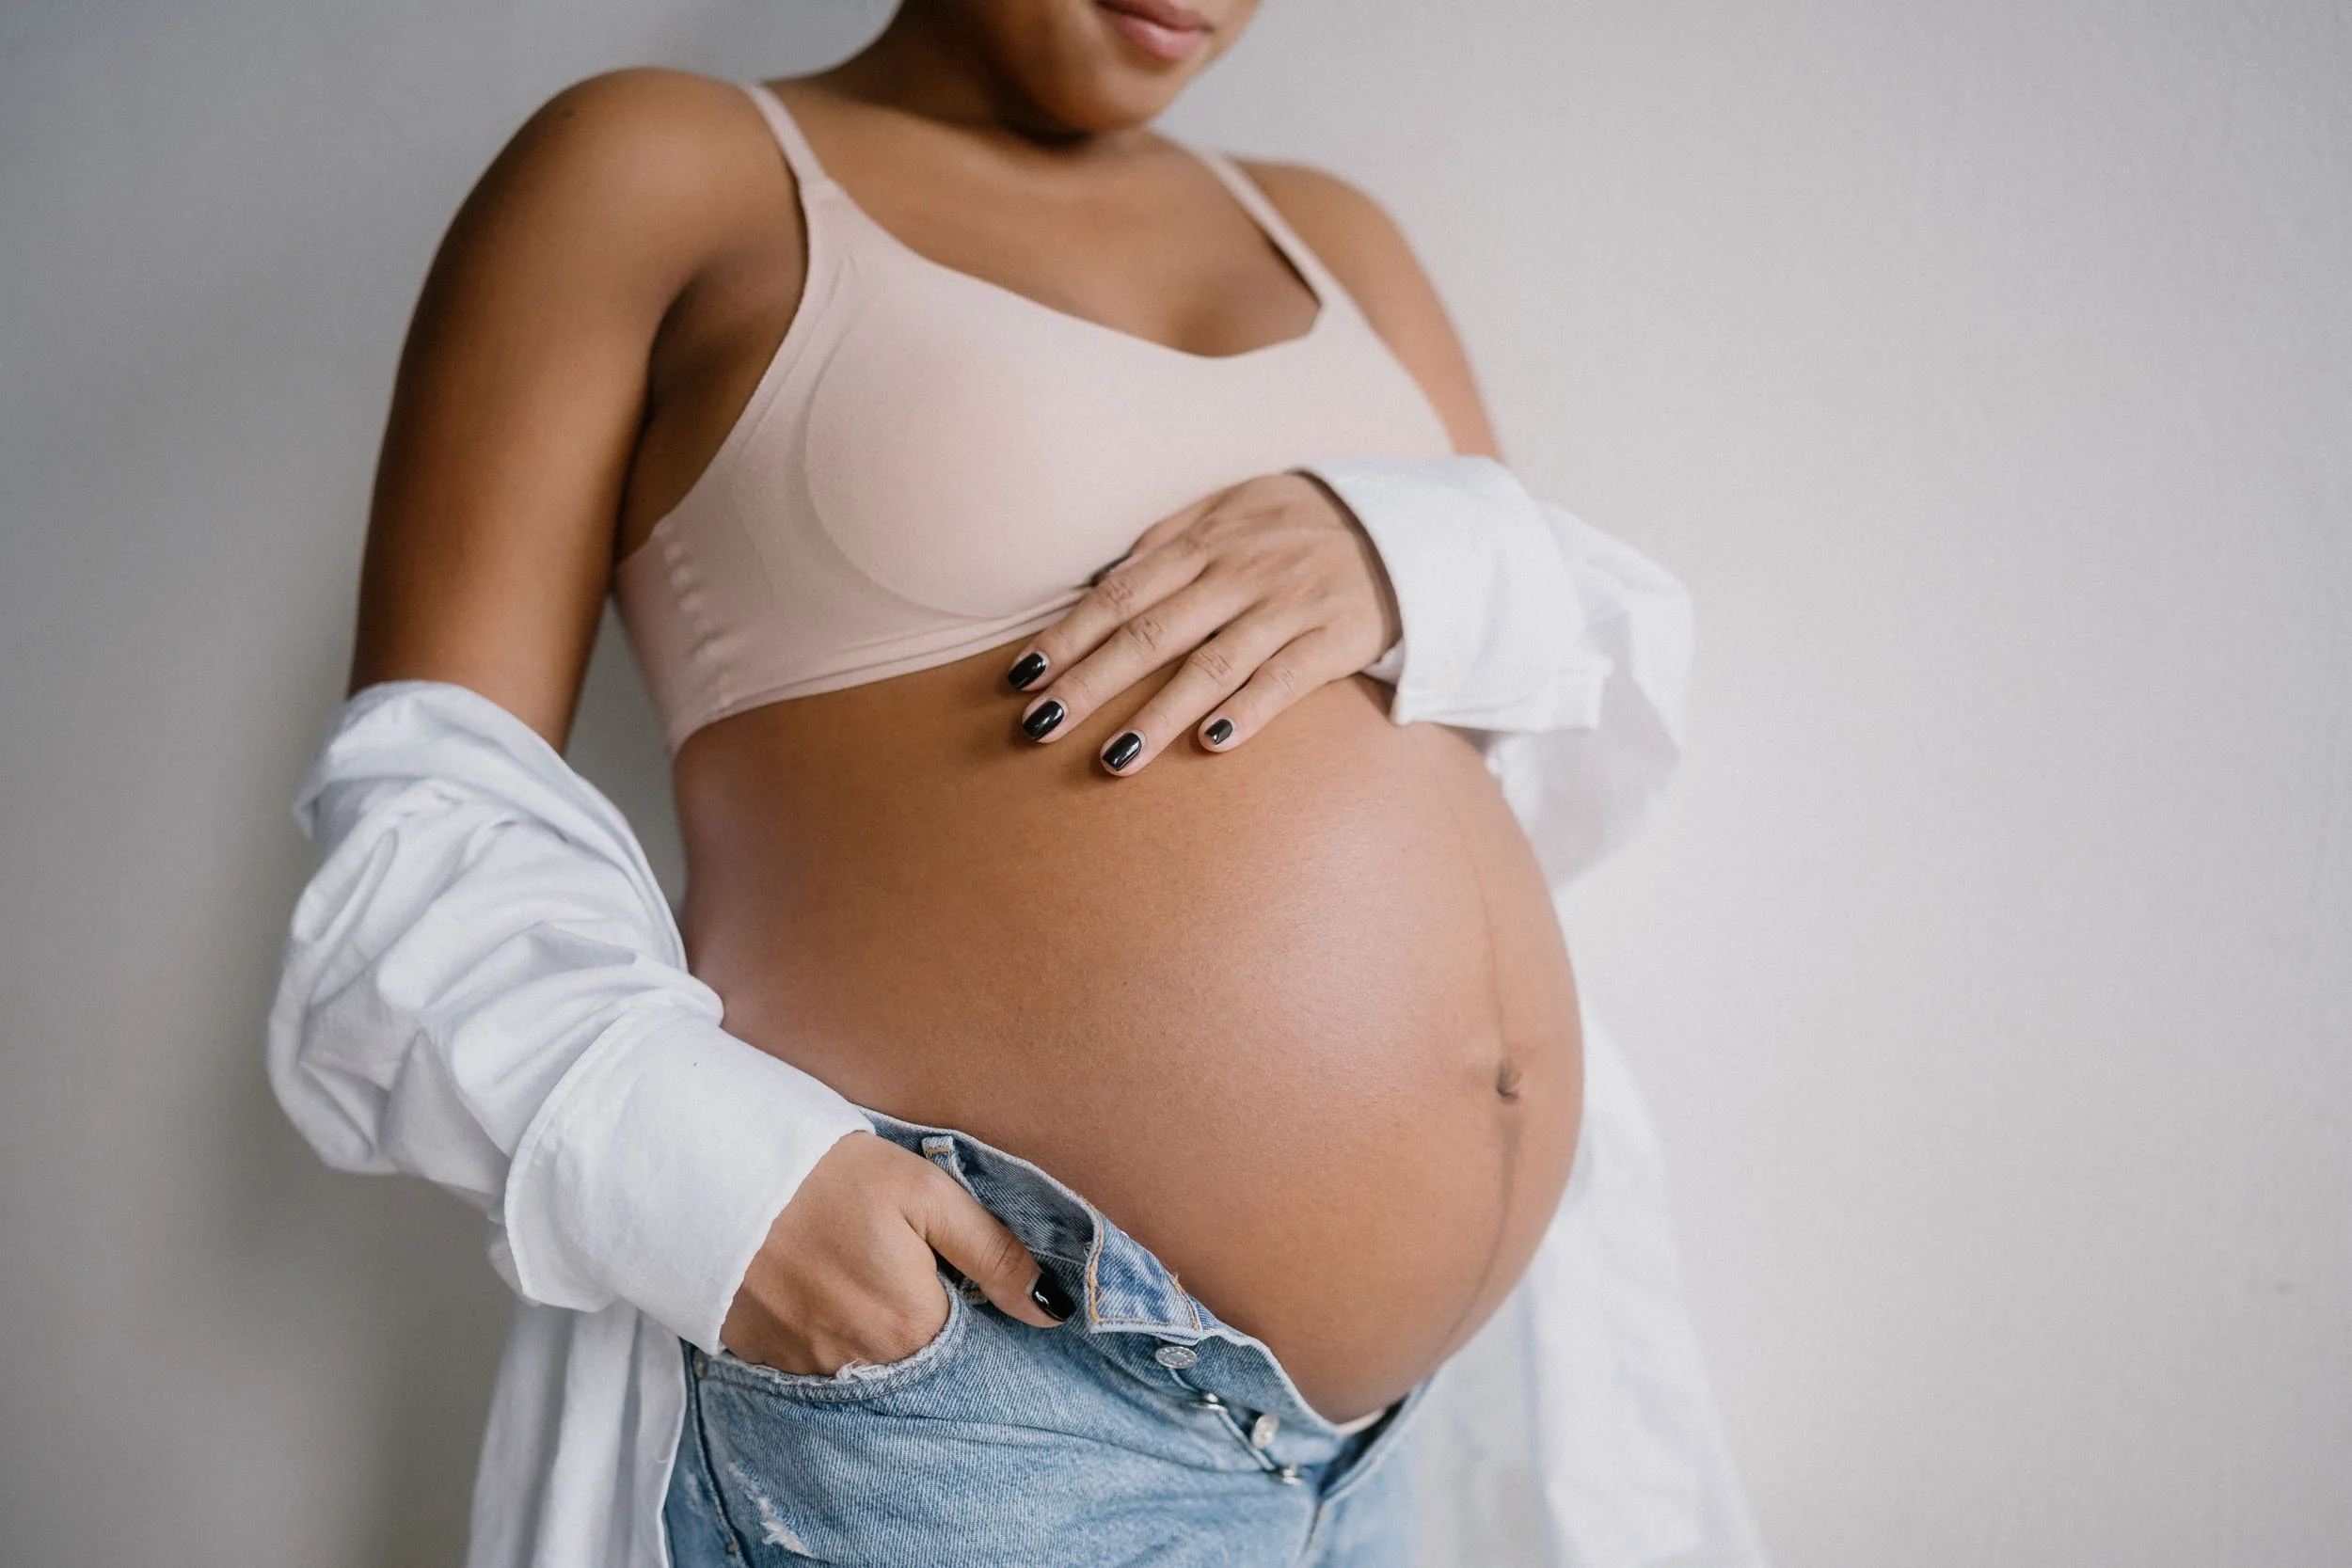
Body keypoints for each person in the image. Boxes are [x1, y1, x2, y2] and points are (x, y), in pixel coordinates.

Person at [270, 3, 1766, 1564]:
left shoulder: (1337, 237)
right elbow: (423, 817)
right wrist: (724, 1190)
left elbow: (1560, 707)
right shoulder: (668, 171)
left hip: (1377, 1452)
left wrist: (1409, 557)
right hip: (975, 1412)